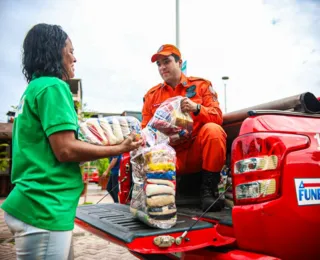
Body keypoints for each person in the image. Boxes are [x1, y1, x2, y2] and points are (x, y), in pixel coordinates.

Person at [0, 23, 141, 260]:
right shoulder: (54, 86)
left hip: (38, 205)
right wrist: (119, 148)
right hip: (44, 206)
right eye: (71, 50)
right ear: (55, 50)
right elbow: (65, 150)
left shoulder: (35, 87)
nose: (74, 58)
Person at [142, 44, 227, 212]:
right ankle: (158, 197)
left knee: (213, 130)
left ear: (179, 62)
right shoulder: (151, 95)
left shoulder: (201, 86)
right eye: (158, 64)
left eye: (166, 61)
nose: (162, 67)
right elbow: (145, 131)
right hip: (169, 155)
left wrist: (196, 108)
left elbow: (217, 116)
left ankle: (209, 190)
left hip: (197, 151)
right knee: (146, 146)